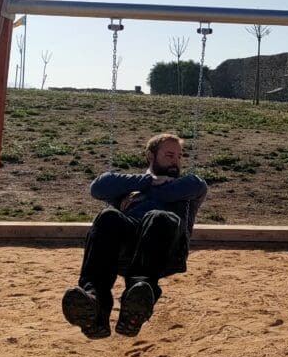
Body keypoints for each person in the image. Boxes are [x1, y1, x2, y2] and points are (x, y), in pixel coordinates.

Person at [62, 133, 207, 339]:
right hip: (128, 247)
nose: (176, 161)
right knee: (109, 216)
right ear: (150, 156)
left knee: (158, 217)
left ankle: (139, 296)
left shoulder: (187, 185)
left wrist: (151, 190)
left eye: (179, 156)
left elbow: (197, 186)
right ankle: (96, 305)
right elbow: (98, 187)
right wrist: (147, 181)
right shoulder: (133, 185)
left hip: (166, 247)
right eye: (169, 155)